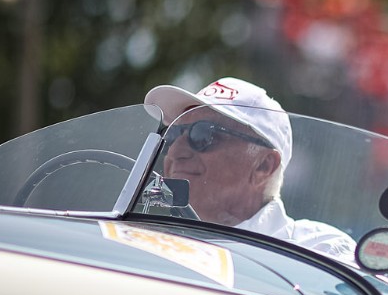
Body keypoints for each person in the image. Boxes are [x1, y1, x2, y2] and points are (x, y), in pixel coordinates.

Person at [144, 76, 356, 262]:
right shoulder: (140, 242)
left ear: (264, 166)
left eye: (203, 134)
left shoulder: (320, 252)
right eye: (172, 135)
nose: (175, 151)